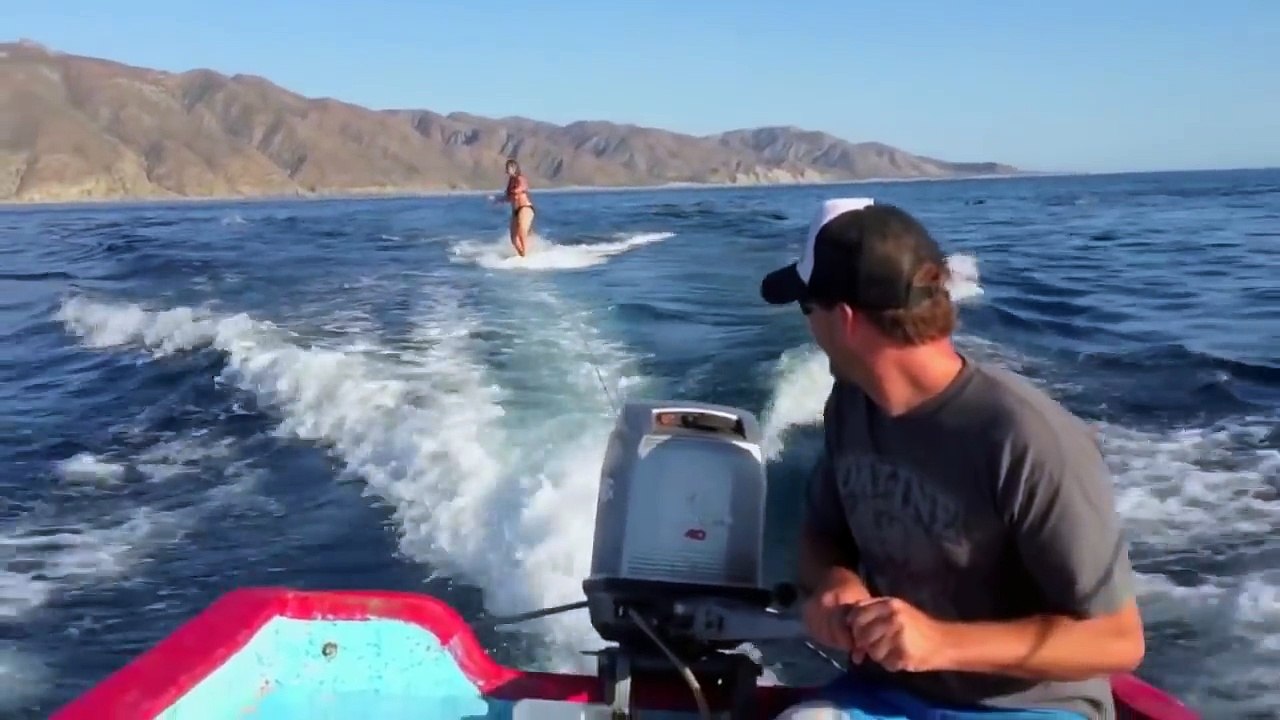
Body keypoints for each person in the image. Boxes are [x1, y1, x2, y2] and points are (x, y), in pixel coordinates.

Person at [761, 198, 1145, 720]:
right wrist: (835, 582)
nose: (808, 325)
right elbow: (821, 535)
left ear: (846, 320)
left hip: (1028, 710)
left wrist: (941, 643)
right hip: (889, 693)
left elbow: (1118, 640)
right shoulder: (850, 405)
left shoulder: (1025, 437)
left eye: (808, 308)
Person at [498, 158, 534, 256]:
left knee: (521, 230)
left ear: (514, 168)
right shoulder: (510, 182)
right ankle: (521, 254)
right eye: (506, 168)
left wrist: (516, 190)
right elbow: (508, 197)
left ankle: (525, 254)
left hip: (525, 208)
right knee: (514, 238)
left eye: (508, 168)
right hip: (515, 211)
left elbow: (523, 186)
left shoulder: (520, 178)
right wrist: (497, 200)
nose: (506, 170)